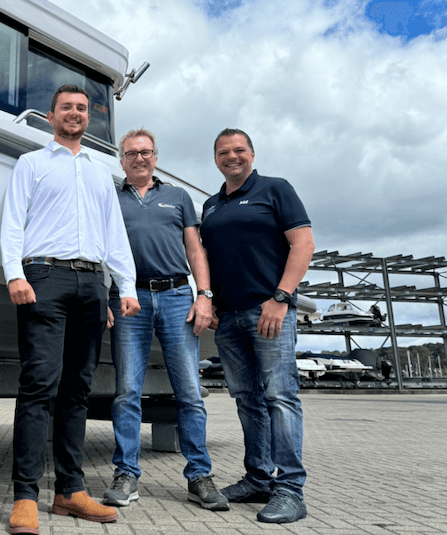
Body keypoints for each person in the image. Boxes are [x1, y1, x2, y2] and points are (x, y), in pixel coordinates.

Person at [0, 84, 140, 534]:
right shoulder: (32, 163)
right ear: (51, 115)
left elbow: (113, 232)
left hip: (92, 284)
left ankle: (70, 491)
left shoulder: (102, 174)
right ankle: (25, 497)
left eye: (82, 108)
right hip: (44, 276)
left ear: (88, 117)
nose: (75, 114)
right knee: (39, 384)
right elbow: (12, 220)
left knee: (78, 389)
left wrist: (125, 285)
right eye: (67, 108)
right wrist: (13, 274)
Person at [101, 129, 228, 512]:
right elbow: (98, 248)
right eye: (131, 153)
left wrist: (204, 296)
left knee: (189, 391)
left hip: (176, 296)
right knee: (127, 392)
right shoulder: (110, 197)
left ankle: (199, 477)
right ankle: (126, 474)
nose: (139, 158)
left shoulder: (178, 197)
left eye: (146, 152)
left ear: (155, 157)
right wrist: (100, 297)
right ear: (121, 160)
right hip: (127, 297)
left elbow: (195, 248)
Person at [199, 128, 315, 524]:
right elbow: (210, 259)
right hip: (229, 318)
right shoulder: (211, 206)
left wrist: (281, 299)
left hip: (269, 311)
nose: (231, 157)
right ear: (215, 159)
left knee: (280, 398)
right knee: (247, 400)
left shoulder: (275, 189)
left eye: (239, 150)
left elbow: (303, 244)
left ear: (251, 153)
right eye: (223, 152)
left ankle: (290, 489)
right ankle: (258, 478)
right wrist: (211, 300)